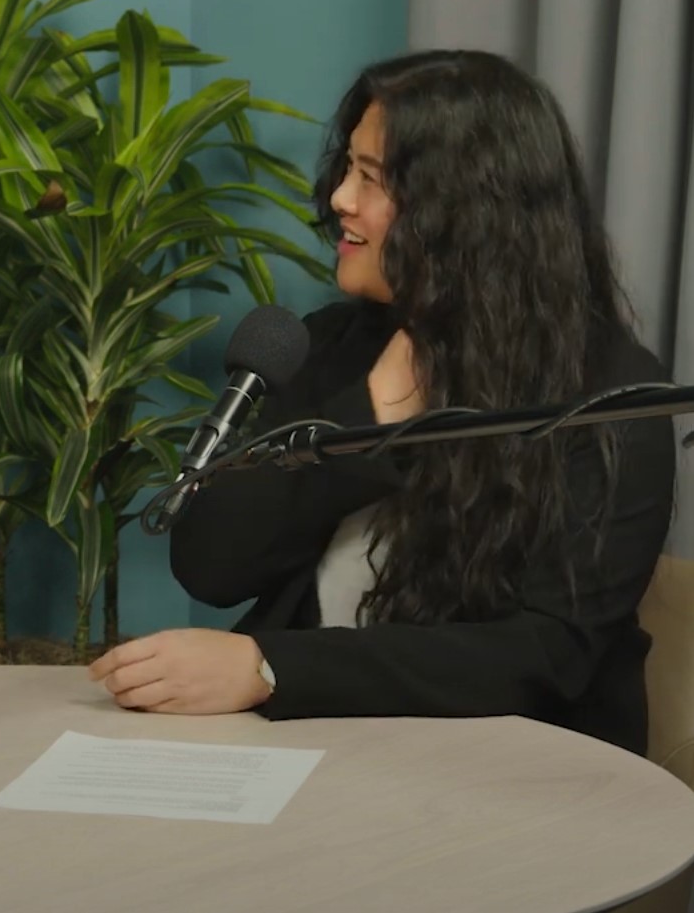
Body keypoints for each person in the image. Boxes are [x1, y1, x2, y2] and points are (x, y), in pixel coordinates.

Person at [89, 49, 675, 756]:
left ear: (465, 212)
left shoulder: (610, 398)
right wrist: (367, 413)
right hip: (317, 753)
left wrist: (270, 668)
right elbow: (210, 565)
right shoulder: (330, 346)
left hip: (519, 774)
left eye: (370, 178)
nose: (338, 196)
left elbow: (546, 655)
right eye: (347, 168)